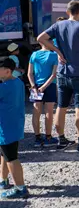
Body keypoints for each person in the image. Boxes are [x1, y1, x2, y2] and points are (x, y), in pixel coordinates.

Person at [37, 0, 79, 152]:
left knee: (61, 107)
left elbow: (40, 38)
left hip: (62, 72)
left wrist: (57, 51)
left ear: (67, 11)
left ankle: (61, 139)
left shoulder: (58, 25)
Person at [0, 58, 29, 199]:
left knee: (11, 158)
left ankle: (20, 187)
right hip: (15, 125)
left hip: (6, 128)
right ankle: (3, 180)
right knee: (4, 156)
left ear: (7, 71)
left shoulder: (4, 87)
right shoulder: (18, 82)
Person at [27, 44, 59, 148]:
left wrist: (34, 86)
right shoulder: (53, 55)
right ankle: (48, 137)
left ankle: (37, 137)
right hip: (49, 86)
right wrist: (44, 88)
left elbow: (29, 73)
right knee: (48, 112)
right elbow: (53, 75)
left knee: (36, 111)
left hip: (36, 86)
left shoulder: (34, 54)